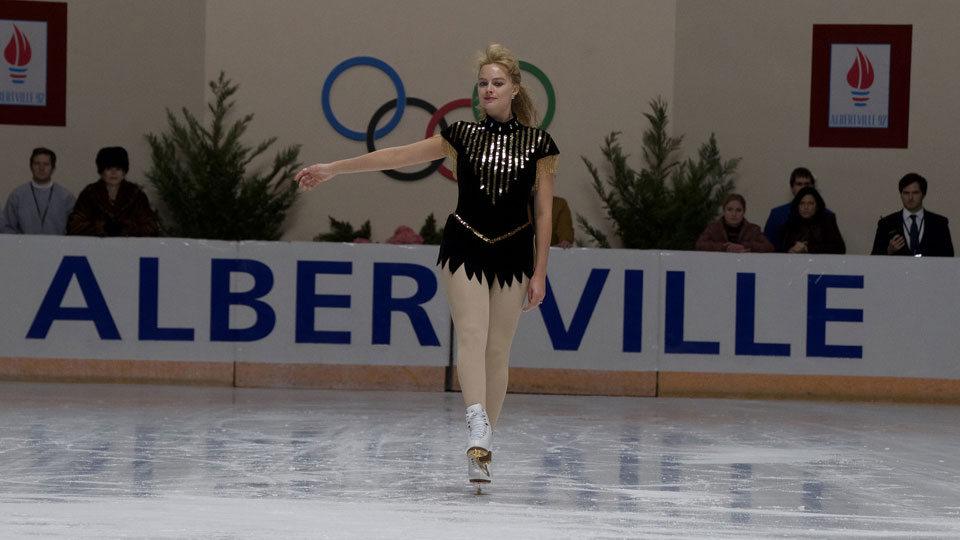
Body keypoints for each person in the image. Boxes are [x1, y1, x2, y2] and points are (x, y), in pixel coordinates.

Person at [296, 44, 558, 490]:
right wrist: (333, 168)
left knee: (499, 351)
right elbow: (396, 155)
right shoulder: (459, 135)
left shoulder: (539, 145)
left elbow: (544, 214)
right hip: (465, 246)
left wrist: (540, 271)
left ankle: (484, 450)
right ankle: (477, 427)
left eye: (497, 83)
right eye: (483, 83)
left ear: (514, 89)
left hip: (514, 252)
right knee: (472, 336)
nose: (489, 89)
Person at [67, 146, 159, 237]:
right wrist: (101, 227)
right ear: (101, 172)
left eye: (118, 169)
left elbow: (151, 227)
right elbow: (74, 225)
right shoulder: (89, 194)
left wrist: (127, 228)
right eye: (109, 168)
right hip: (95, 248)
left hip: (130, 248)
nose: (114, 173)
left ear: (124, 172)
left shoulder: (137, 195)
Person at [871, 173, 954, 257]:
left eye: (915, 193)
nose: (910, 198)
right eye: (906, 193)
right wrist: (889, 251)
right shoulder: (886, 224)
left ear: (923, 194)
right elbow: (874, 258)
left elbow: (949, 257)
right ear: (901, 195)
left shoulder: (939, 224)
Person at [3, 147, 76, 235]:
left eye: (46, 164)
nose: (41, 168)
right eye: (37, 164)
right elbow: (7, 228)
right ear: (31, 167)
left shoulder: (66, 197)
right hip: (24, 247)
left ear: (53, 169)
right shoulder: (17, 196)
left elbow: (74, 230)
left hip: (58, 247)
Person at [763, 167, 833, 251]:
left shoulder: (827, 216)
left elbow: (837, 248)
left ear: (813, 187)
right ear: (792, 188)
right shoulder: (777, 214)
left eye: (807, 184)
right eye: (799, 184)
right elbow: (768, 247)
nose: (803, 187)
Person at [695, 193, 774, 253]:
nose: (733, 214)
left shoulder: (753, 229)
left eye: (738, 210)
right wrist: (725, 247)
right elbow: (699, 245)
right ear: (724, 211)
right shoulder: (713, 228)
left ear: (744, 212)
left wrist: (744, 246)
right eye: (729, 209)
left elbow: (769, 247)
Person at [779, 187, 845, 254]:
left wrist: (807, 248)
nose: (806, 207)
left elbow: (840, 248)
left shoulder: (827, 221)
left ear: (817, 206)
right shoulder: (790, 224)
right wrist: (791, 250)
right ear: (797, 206)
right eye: (802, 203)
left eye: (810, 203)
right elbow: (780, 250)